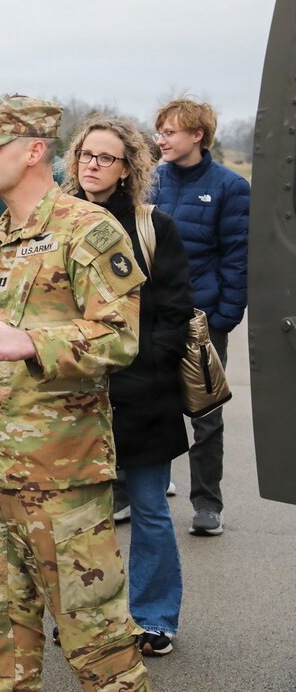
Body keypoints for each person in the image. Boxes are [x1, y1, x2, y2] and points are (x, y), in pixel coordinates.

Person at [0, 95, 151, 691]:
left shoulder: (89, 230)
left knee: (97, 642)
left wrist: (34, 341)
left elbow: (120, 338)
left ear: (34, 151)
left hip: (63, 483)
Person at [64, 117, 194, 657]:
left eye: (106, 158)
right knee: (79, 517)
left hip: (143, 396)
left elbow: (175, 310)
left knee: (148, 508)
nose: (93, 165)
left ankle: (153, 616)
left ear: (127, 168)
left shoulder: (152, 225)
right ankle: (87, 617)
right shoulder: (57, 221)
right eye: (86, 155)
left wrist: (144, 369)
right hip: (72, 393)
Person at [151, 98, 250, 537]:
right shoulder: (149, 182)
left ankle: (208, 502)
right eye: (160, 132)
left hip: (202, 322)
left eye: (170, 132)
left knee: (205, 414)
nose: (161, 139)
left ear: (197, 135)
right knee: (147, 407)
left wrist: (224, 317)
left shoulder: (230, 187)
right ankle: (137, 493)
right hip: (150, 317)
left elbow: (237, 256)